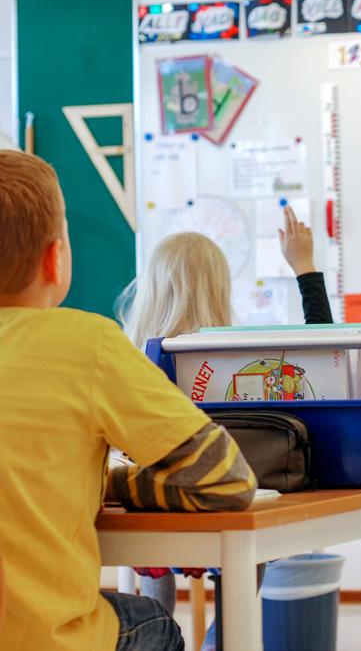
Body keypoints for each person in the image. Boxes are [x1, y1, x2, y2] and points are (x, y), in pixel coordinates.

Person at [0, 151, 256, 651]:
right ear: (55, 258)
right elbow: (228, 481)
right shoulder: (86, 343)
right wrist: (114, 482)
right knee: (154, 621)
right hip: (44, 638)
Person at [115, 206, 333, 646]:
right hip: (226, 510)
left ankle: (162, 628)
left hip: (155, 518)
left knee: (152, 536)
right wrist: (305, 269)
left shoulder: (132, 358)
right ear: (220, 285)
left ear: (152, 286)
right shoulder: (239, 357)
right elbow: (327, 355)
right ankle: (221, 638)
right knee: (248, 544)